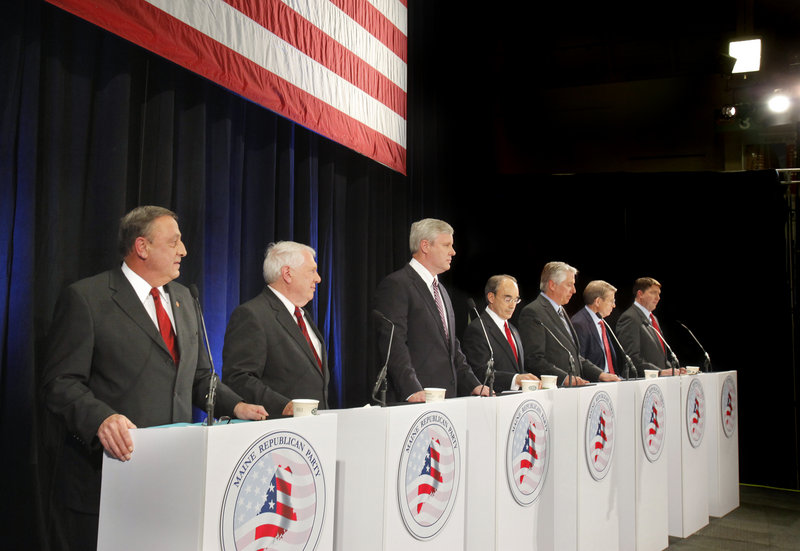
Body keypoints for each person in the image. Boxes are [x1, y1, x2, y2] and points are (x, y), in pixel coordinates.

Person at [42, 206, 267, 549]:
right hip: (108, 477)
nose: (184, 251)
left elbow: (200, 377)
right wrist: (101, 418)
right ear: (142, 247)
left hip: (171, 479)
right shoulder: (88, 298)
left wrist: (237, 406)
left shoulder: (184, 299)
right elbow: (60, 383)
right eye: (174, 241)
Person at [374, 218, 490, 402]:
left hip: (445, 400)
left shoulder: (441, 290)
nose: (453, 252)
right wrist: (412, 390)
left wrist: (474, 384)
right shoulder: (397, 285)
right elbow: (394, 343)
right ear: (425, 246)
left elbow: (452, 346)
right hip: (416, 402)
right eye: (446, 245)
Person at [222, 241, 329, 418]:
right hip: (277, 434)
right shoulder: (252, 315)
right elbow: (238, 378)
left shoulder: (303, 316)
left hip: (312, 434)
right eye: (312, 271)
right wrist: (284, 406)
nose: (318, 278)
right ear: (287, 274)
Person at [518, 261, 621, 386]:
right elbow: (534, 359)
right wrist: (564, 378)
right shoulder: (533, 312)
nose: (574, 290)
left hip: (572, 391)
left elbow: (575, 356)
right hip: (553, 392)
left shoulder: (561, 311)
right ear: (552, 285)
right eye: (569, 285)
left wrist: (600, 374)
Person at [462, 275, 539, 394]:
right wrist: (514, 379)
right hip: (493, 402)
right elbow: (479, 372)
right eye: (508, 299)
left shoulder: (513, 330)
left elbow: (516, 368)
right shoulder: (478, 329)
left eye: (516, 300)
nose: (512, 305)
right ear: (491, 297)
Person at [615, 277, 683, 377]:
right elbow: (632, 358)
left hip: (658, 381)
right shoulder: (629, 318)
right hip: (641, 383)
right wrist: (659, 372)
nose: (658, 297)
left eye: (659, 294)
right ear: (640, 294)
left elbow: (660, 358)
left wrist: (673, 370)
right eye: (653, 293)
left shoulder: (653, 318)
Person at [571, 280, 621, 376]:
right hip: (594, 383)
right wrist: (601, 375)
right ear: (597, 301)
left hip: (610, 379)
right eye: (611, 301)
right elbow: (579, 360)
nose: (614, 305)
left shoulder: (601, 321)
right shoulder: (579, 323)